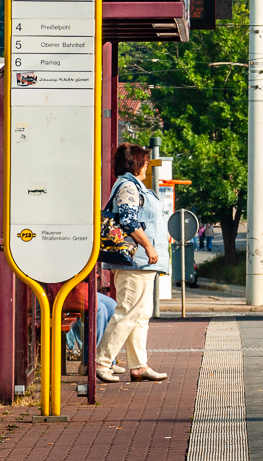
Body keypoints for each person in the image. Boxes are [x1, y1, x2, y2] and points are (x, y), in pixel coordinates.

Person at [96, 144, 169, 383]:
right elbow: (128, 221)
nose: (147, 167)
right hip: (136, 262)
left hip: (143, 263)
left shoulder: (134, 186)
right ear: (136, 164)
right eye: (145, 163)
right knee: (127, 312)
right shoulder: (128, 187)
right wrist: (148, 246)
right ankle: (102, 362)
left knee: (140, 314)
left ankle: (138, 365)